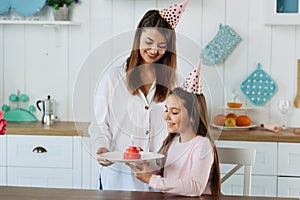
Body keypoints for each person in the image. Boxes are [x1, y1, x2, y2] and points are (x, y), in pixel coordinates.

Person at [88, 0, 190, 191]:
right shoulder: (113, 78)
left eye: (161, 45)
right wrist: (101, 148)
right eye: (148, 42)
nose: (154, 50)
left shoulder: (174, 83)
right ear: (138, 39)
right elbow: (99, 125)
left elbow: (179, 130)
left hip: (158, 179)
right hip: (118, 180)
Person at [127, 63, 221, 196]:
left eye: (174, 112)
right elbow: (167, 178)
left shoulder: (202, 145)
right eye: (166, 110)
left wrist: (152, 179)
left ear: (193, 117)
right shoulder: (172, 143)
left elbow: (195, 187)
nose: (166, 117)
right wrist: (145, 166)